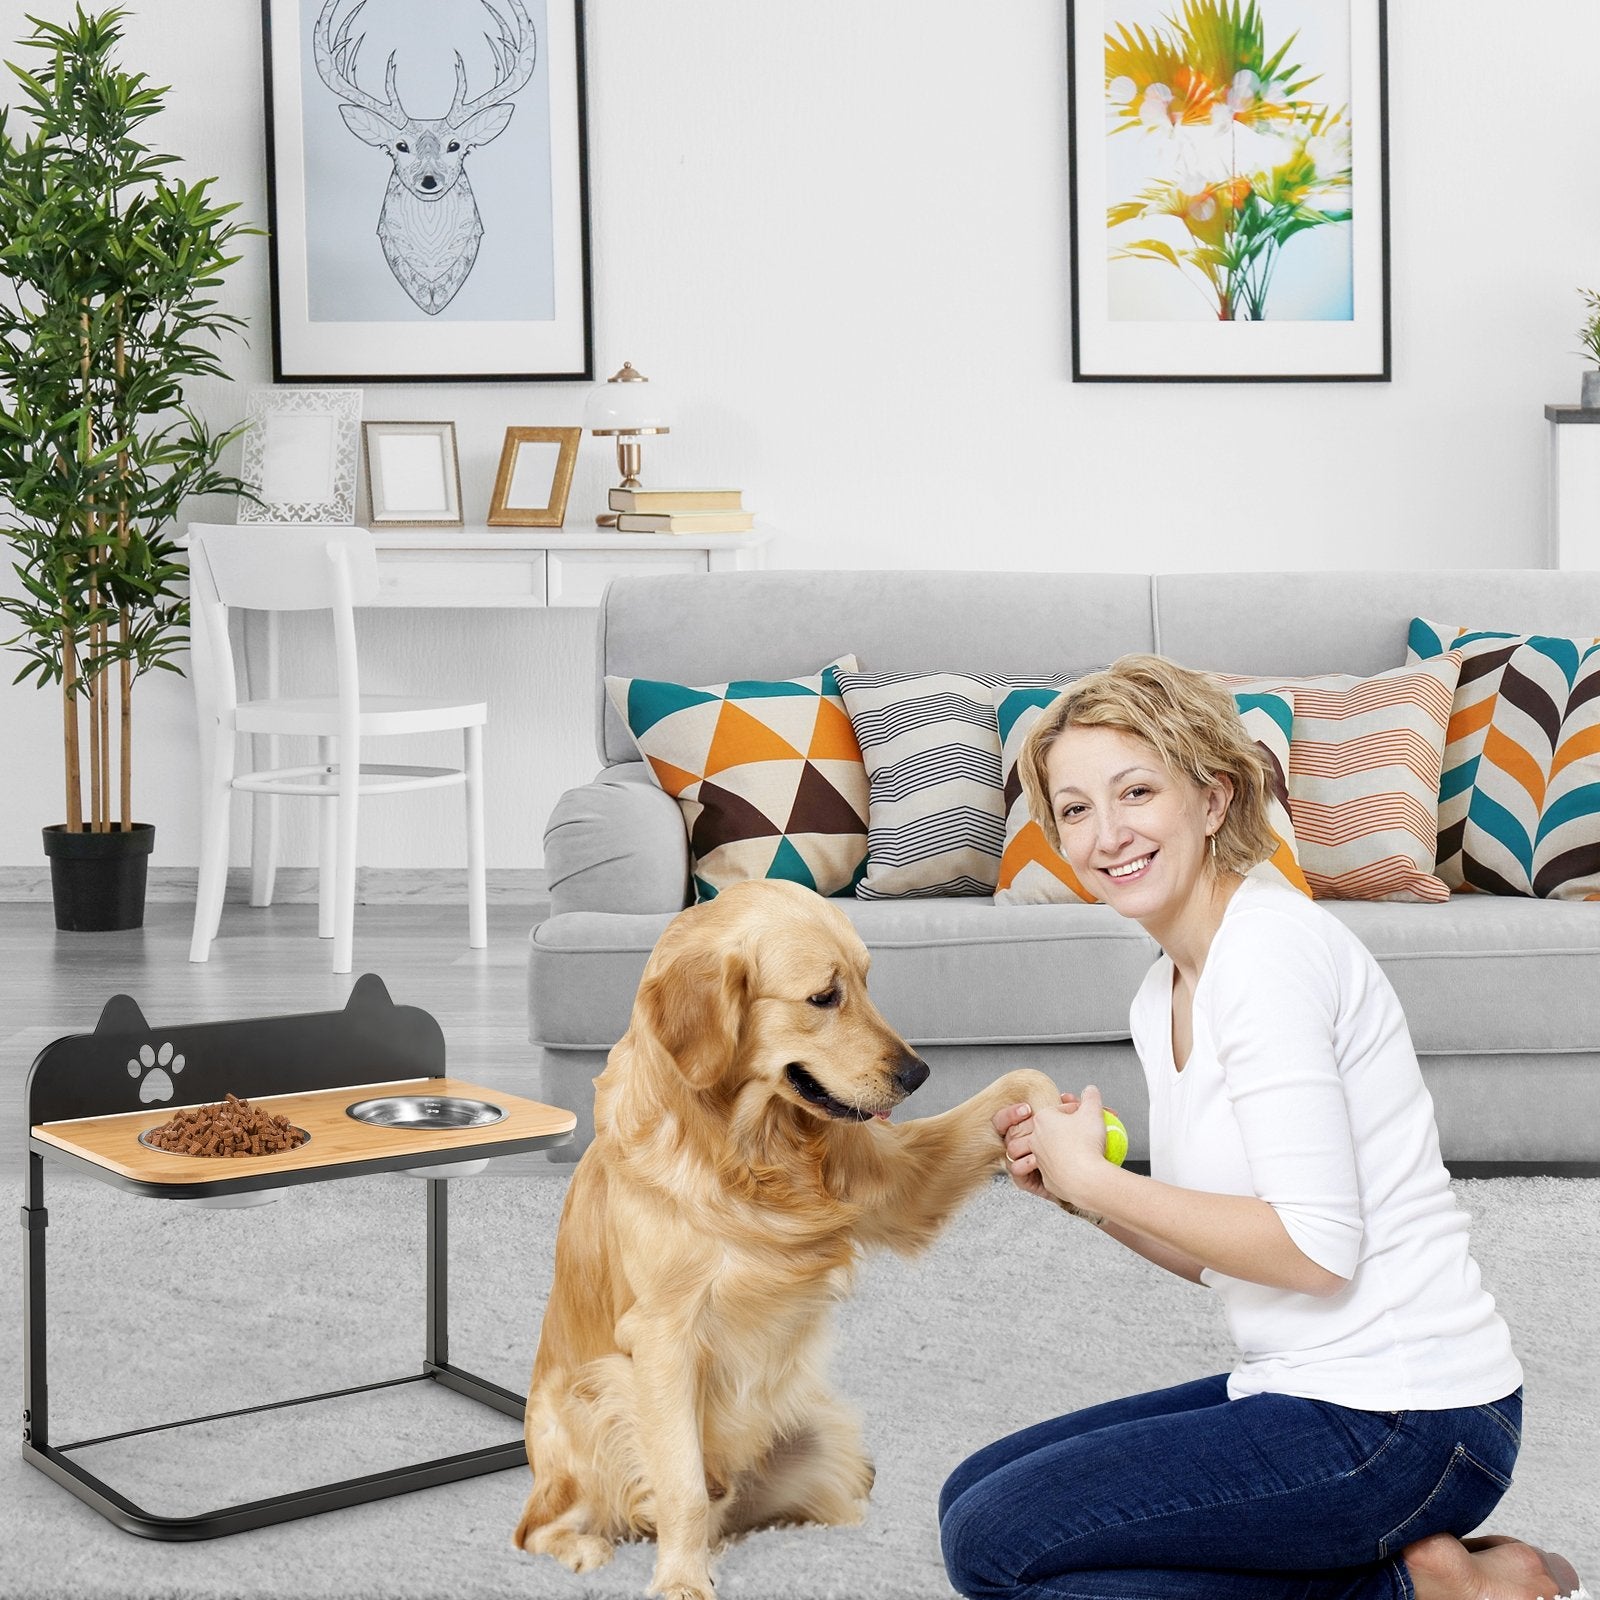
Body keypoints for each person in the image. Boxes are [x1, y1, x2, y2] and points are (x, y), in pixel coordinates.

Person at [938, 655, 1585, 1600]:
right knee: (974, 1499)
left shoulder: (1269, 953)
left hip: (1410, 1417)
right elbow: (1225, 1251)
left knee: (998, 1547)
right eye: (1074, 809)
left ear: (1213, 799)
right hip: (1311, 1387)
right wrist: (1085, 1201)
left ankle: (1430, 1592)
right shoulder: (1163, 991)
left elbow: (1316, 1252)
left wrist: (1099, 1180)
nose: (1107, 833)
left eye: (1137, 791)